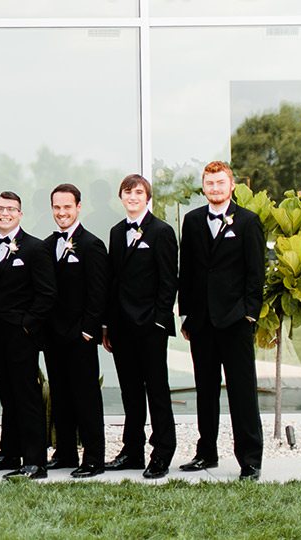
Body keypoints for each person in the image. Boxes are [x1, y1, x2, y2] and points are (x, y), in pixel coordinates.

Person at [178, 161, 266, 481]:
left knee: (242, 393)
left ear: (231, 186)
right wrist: (186, 314)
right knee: (205, 390)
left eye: (220, 183)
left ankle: (250, 460)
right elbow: (186, 270)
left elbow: (257, 275)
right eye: (209, 183)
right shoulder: (192, 221)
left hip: (235, 321)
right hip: (201, 322)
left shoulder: (248, 222)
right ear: (204, 187)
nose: (214, 188)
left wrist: (249, 315)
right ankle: (206, 453)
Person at [0, 191, 56, 480]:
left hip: (22, 335)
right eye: (0, 209)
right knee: (6, 395)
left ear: (20, 214)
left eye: (11, 209)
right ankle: (9, 454)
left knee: (27, 395)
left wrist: (27, 325)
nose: (5, 213)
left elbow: (47, 293)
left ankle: (35, 461)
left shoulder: (35, 248)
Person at [104, 174, 178, 479]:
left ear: (147, 198)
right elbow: (113, 281)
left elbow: (168, 280)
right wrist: (108, 325)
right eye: (127, 191)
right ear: (121, 197)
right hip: (121, 327)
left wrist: (159, 320)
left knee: (157, 390)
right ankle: (131, 451)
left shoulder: (161, 231)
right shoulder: (116, 232)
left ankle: (162, 452)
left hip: (151, 325)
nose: (132, 196)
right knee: (130, 392)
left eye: (138, 192)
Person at [42, 184, 107, 478]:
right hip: (54, 336)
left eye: (67, 207)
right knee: (60, 395)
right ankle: (65, 452)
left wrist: (88, 331)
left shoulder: (91, 245)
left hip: (80, 336)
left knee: (86, 397)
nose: (62, 212)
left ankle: (93, 458)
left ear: (78, 207)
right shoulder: (46, 245)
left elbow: (98, 292)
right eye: (57, 207)